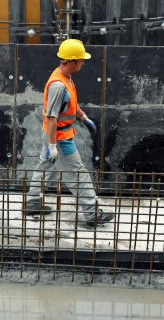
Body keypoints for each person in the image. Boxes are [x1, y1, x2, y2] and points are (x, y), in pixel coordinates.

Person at [23, 39, 114, 228]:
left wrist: (83, 116)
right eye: (81, 60)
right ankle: (92, 213)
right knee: (79, 174)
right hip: (59, 137)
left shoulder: (66, 78)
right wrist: (52, 146)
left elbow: (70, 103)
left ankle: (32, 204)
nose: (83, 63)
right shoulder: (58, 85)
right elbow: (50, 118)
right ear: (72, 62)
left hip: (55, 135)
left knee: (45, 170)